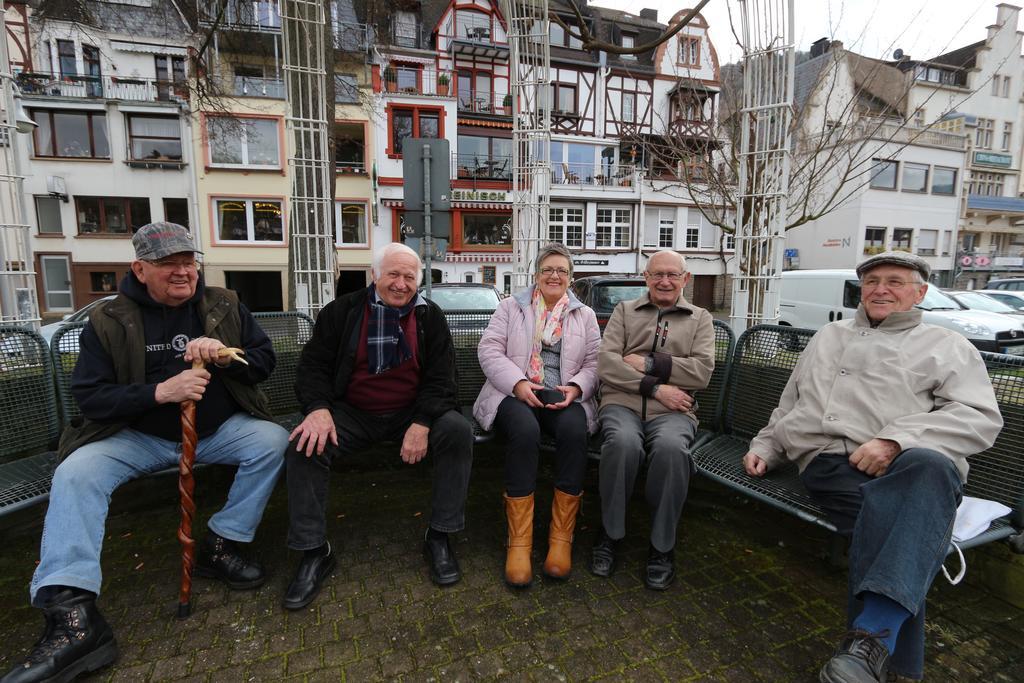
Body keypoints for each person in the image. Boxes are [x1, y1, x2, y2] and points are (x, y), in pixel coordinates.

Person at [2, 222, 287, 683]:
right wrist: (160, 393)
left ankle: (221, 544)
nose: (182, 272)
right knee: (76, 474)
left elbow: (263, 362)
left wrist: (225, 354)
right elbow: (92, 398)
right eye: (167, 263)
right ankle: (72, 614)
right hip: (134, 438)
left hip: (215, 431)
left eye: (188, 262)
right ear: (139, 267)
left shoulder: (224, 304)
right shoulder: (108, 319)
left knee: (273, 442)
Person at [742, 251, 1002, 682]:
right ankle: (881, 648)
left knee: (927, 470)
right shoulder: (829, 334)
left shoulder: (947, 345)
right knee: (907, 526)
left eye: (895, 281)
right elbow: (791, 401)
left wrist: (895, 439)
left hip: (905, 467)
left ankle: (866, 650)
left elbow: (979, 417)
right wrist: (767, 445)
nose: (881, 289)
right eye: (873, 281)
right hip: (829, 463)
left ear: (919, 293)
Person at [283, 242, 473, 610]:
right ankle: (313, 551)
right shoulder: (342, 312)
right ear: (374, 275)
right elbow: (313, 367)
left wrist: (421, 422)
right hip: (353, 412)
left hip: (411, 411)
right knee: (305, 444)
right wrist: (318, 408)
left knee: (456, 431)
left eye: (409, 277)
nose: (401, 284)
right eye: (393, 274)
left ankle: (440, 535)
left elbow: (443, 378)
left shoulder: (430, 316)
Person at [474, 243, 601, 586]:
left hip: (563, 394)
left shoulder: (584, 315)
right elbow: (488, 350)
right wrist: (517, 384)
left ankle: (561, 541)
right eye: (548, 269)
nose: (554, 276)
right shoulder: (510, 308)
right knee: (525, 432)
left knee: (575, 431)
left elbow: (594, 363)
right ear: (536, 275)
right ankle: (519, 543)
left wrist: (575, 388)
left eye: (562, 271)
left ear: (571, 278)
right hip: (513, 392)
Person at [590, 250, 715, 590]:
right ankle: (611, 534)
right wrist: (656, 388)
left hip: (675, 411)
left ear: (685, 279)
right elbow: (607, 364)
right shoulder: (625, 311)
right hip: (623, 404)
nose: (665, 281)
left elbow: (702, 372)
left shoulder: (700, 318)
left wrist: (648, 365)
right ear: (645, 277)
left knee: (673, 450)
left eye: (673, 274)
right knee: (622, 444)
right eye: (657, 274)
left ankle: (662, 546)